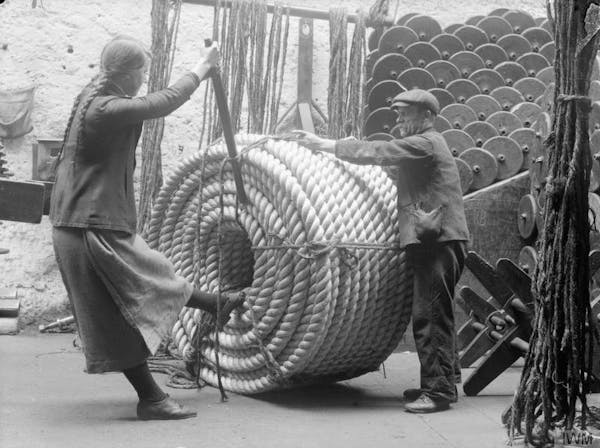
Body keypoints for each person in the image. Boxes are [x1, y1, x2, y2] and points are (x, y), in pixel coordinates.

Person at [49, 35, 243, 421]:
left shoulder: (95, 94)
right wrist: (202, 68)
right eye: (143, 72)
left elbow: (147, 102)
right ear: (130, 73)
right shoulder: (104, 108)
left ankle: (212, 304)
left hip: (86, 222)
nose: (144, 79)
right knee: (115, 313)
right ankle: (152, 398)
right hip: (88, 226)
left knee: (152, 273)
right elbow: (161, 103)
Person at [292, 89, 470, 413]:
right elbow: (392, 165)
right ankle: (443, 383)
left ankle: (439, 392)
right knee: (438, 314)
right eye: (398, 114)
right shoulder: (424, 146)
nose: (400, 121)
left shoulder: (426, 141)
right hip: (443, 242)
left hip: (439, 244)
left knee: (428, 317)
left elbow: (383, 150)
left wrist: (327, 145)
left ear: (428, 116)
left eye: (407, 115)